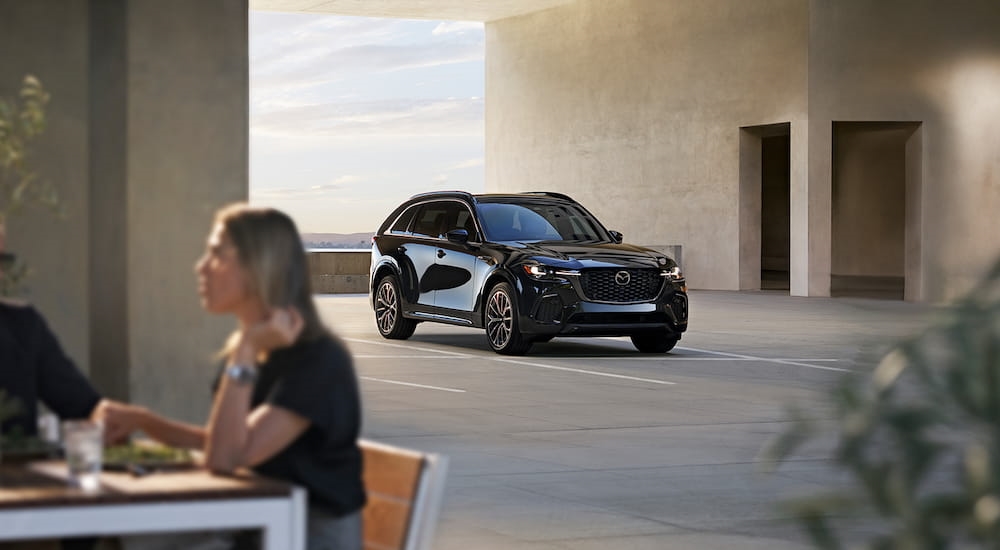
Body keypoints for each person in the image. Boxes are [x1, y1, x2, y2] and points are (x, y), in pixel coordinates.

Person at [96, 204, 366, 550]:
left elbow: (225, 459)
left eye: (216, 255)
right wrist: (144, 422)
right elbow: (227, 443)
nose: (201, 267)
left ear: (259, 267)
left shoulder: (318, 362)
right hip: (255, 523)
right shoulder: (252, 350)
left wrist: (246, 350)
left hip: (301, 534)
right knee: (120, 538)